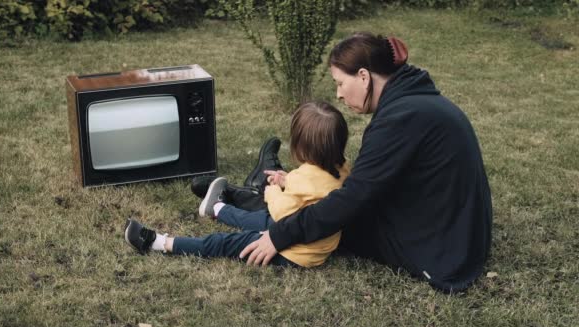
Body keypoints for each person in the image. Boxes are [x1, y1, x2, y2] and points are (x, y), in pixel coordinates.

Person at [238, 33, 493, 293]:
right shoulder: (416, 101)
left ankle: (262, 192)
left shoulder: (401, 118)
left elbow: (353, 198)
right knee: (327, 203)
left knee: (325, 210)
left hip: (440, 252)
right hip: (459, 236)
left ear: (363, 76)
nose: (338, 94)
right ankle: (265, 189)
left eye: (339, 83)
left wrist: (280, 236)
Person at [124, 101, 350, 268]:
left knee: (225, 243)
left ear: (302, 148)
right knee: (257, 219)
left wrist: (273, 191)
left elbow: (281, 212)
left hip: (294, 252)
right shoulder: (342, 168)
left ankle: (158, 243)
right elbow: (311, 192)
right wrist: (287, 179)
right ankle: (217, 207)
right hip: (312, 242)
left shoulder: (306, 178)